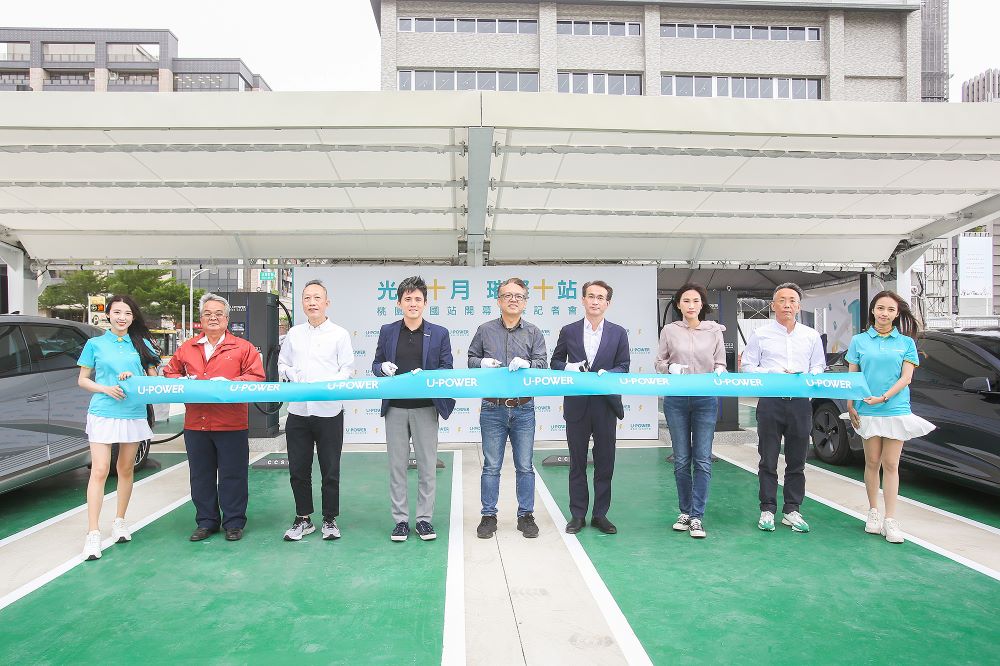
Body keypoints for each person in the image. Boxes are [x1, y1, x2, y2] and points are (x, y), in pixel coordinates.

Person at [163, 293, 265, 543]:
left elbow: (256, 377)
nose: (213, 318)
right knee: (201, 475)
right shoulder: (188, 347)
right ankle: (206, 522)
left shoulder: (243, 347)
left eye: (219, 314)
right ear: (201, 319)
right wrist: (184, 381)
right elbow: (169, 373)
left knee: (233, 475)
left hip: (231, 424)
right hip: (196, 424)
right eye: (208, 314)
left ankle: (234, 522)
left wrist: (231, 383)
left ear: (227, 319)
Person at [77, 295, 161, 561]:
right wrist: (105, 388)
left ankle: (120, 521)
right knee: (100, 470)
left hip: (133, 412)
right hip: (103, 412)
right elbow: (83, 380)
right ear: (108, 315)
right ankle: (93, 533)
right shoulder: (95, 344)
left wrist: (134, 378)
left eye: (127, 313)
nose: (122, 317)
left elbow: (154, 381)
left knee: (125, 468)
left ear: (133, 317)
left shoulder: (142, 344)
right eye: (117, 312)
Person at [372, 276, 456, 542]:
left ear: (425, 303)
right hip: (395, 408)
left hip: (426, 408)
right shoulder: (388, 331)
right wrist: (382, 368)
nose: (413, 303)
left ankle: (423, 520)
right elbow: (376, 364)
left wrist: (427, 376)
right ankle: (400, 521)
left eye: (418, 299)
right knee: (397, 467)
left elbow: (447, 369)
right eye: (407, 299)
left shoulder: (439, 333)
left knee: (427, 467)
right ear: (399, 303)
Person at [847, 291, 934, 544]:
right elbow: (853, 376)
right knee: (872, 462)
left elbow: (906, 378)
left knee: (891, 464)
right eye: (880, 308)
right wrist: (851, 404)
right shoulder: (858, 341)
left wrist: (883, 398)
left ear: (897, 314)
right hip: (866, 410)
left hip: (895, 409)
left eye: (890, 310)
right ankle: (873, 512)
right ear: (873, 310)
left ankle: (891, 519)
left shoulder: (906, 343)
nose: (885, 313)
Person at [741, 282, 825, 534]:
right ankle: (767, 508)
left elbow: (819, 366)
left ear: (798, 306)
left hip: (800, 403)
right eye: (782, 300)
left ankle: (792, 509)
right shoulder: (761, 334)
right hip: (771, 402)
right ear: (773, 305)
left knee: (797, 459)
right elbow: (747, 366)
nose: (787, 305)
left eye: (792, 301)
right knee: (768, 458)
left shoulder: (811, 336)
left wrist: (807, 375)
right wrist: (773, 373)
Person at [468, 277, 548, 539]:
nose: (513, 300)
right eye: (507, 295)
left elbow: (542, 364)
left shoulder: (534, 332)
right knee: (491, 466)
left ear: (525, 301)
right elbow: (470, 360)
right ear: (499, 300)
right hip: (493, 408)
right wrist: (481, 363)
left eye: (518, 296)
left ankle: (526, 516)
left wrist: (528, 364)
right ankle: (488, 516)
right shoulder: (484, 330)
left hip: (524, 408)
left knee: (525, 465)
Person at [550, 280, 630, 535]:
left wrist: (610, 374)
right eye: (591, 296)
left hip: (606, 404)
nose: (595, 301)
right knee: (577, 462)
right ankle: (577, 515)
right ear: (583, 300)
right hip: (577, 404)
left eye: (600, 297)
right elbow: (554, 362)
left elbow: (624, 366)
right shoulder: (569, 331)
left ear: (608, 303)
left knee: (605, 462)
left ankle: (600, 514)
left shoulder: (619, 333)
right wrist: (570, 367)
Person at [277, 279, 354, 542]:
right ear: (302, 303)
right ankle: (303, 518)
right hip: (298, 411)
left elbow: (347, 370)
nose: (312, 303)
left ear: (327, 303)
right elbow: (282, 364)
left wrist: (328, 385)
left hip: (329, 412)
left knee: (330, 469)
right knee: (298, 469)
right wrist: (291, 373)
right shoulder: (294, 334)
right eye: (307, 298)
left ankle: (330, 519)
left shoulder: (340, 334)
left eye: (317, 298)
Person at [654, 283, 726, 539]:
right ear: (678, 305)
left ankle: (697, 516)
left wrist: (720, 370)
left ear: (702, 304)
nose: (691, 305)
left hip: (706, 399)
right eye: (686, 301)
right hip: (676, 399)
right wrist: (669, 368)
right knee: (682, 458)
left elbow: (720, 362)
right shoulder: (669, 330)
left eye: (696, 301)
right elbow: (659, 362)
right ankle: (684, 512)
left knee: (703, 459)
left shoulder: (714, 330)